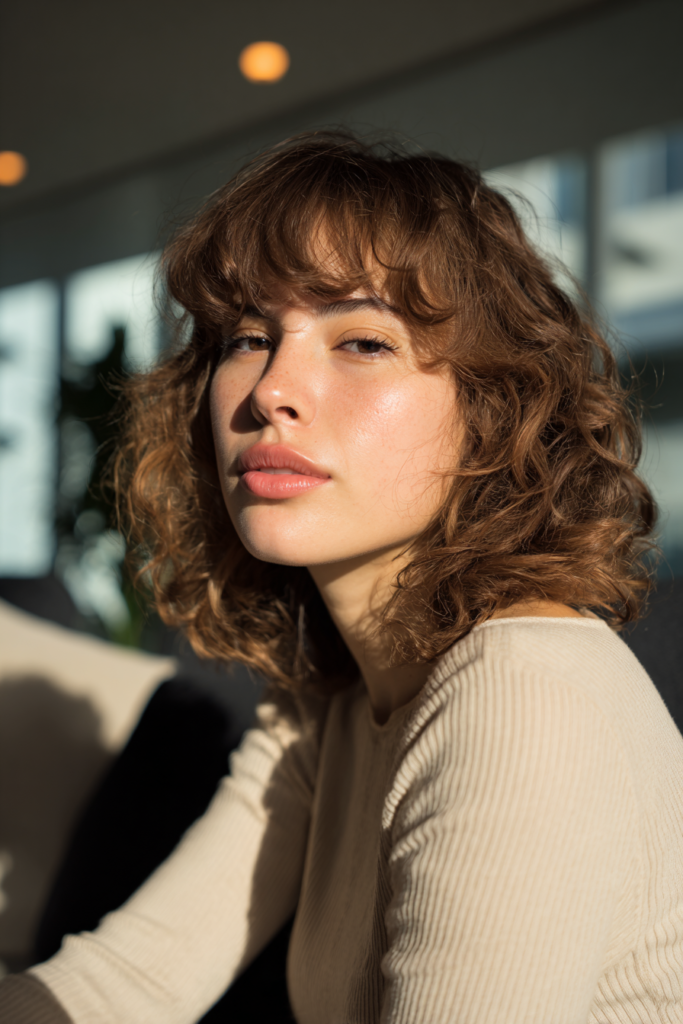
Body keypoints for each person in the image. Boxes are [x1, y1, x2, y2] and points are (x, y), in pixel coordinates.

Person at [2, 131, 683, 1024]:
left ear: (492, 411)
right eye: (248, 336)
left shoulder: (523, 694)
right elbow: (130, 984)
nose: (269, 389)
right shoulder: (329, 710)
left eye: (361, 342)